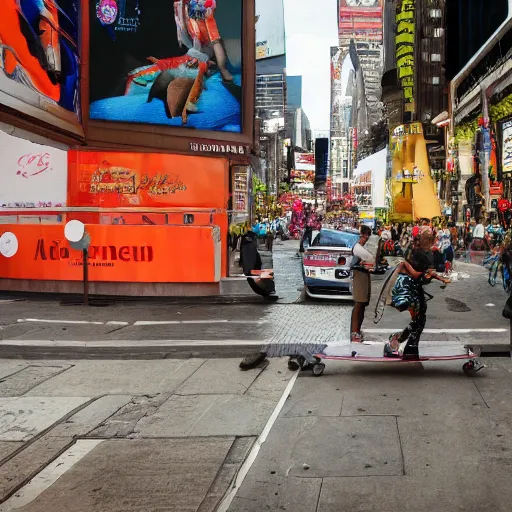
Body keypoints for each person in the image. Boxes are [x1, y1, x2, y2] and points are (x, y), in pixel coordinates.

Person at [384, 231, 450, 359]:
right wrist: (433, 276)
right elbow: (416, 273)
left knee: (419, 319)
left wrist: (437, 277)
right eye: (428, 239)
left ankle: (402, 343)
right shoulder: (418, 253)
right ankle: (407, 346)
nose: (430, 241)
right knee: (419, 320)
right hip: (410, 288)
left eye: (431, 239)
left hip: (413, 287)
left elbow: (424, 272)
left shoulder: (424, 252)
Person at [350, 225, 375, 343]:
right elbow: (370, 259)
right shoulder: (357, 247)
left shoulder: (360, 247)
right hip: (359, 275)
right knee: (359, 303)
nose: (366, 239)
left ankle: (357, 331)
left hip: (364, 275)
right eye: (365, 237)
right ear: (362, 235)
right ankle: (354, 333)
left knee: (363, 304)